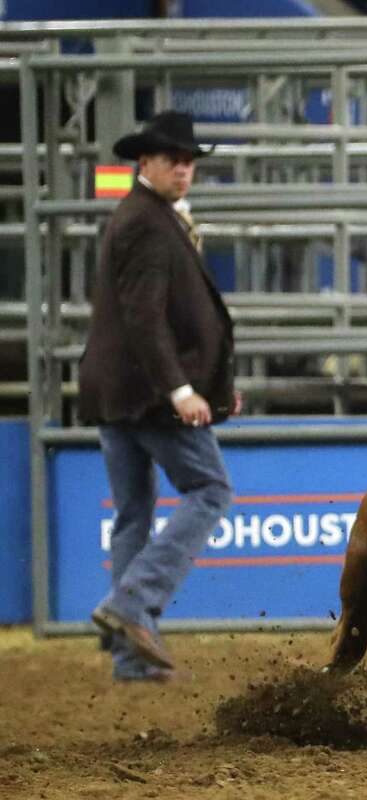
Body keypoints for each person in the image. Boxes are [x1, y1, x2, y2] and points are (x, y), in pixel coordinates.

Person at [79, 111, 238, 682]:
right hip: (148, 392)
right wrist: (180, 389)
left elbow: (159, 316)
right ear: (144, 161)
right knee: (211, 488)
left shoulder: (143, 215)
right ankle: (132, 602)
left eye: (190, 160)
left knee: (133, 515)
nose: (185, 168)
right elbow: (146, 319)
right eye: (174, 158)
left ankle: (129, 656)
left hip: (119, 389)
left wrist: (214, 386)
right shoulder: (148, 222)